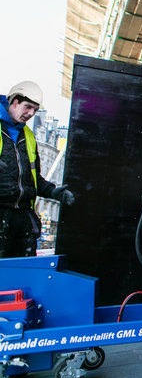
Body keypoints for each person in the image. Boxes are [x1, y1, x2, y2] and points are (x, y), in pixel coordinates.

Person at [0, 81, 74, 258]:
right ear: (14, 102)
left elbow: (34, 179)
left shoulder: (29, 136)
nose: (31, 113)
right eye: (28, 107)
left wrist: (54, 192)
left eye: (35, 109)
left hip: (23, 220)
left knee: (23, 276)